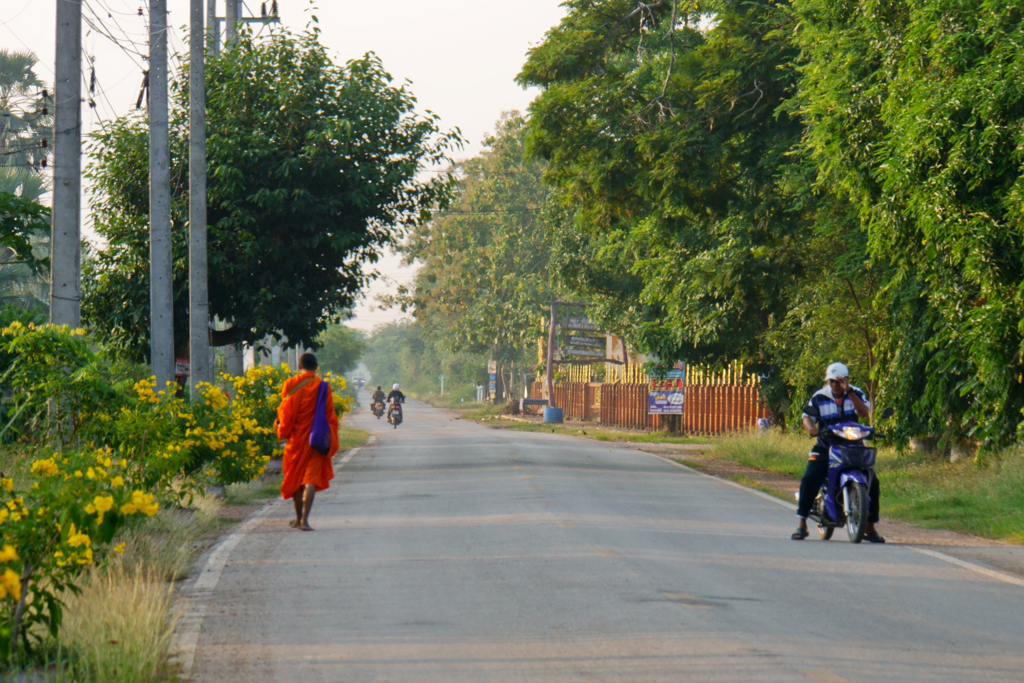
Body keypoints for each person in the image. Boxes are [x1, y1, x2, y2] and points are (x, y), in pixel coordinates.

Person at [793, 362, 885, 542]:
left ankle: (870, 527)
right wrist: (811, 428)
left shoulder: (856, 393)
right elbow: (807, 417)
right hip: (826, 445)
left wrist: (849, 391)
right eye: (831, 381)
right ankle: (802, 523)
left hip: (853, 446)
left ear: (846, 380)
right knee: (810, 477)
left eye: (838, 381)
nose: (835, 384)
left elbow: (865, 412)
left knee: (873, 482)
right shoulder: (820, 396)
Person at [276, 353, 338, 531]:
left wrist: (280, 429)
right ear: (316, 367)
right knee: (310, 479)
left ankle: (297, 518)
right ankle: (304, 520)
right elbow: (330, 416)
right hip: (316, 440)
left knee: (295, 478)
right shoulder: (323, 386)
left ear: (299, 365)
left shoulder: (291, 384)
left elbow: (285, 413)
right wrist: (330, 436)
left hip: (296, 440)